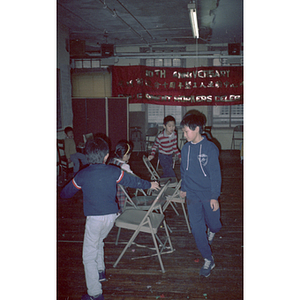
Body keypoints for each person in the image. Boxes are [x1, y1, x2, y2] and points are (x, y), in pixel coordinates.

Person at [60, 137, 159, 300]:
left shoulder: (82, 175)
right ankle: (100, 271)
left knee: (88, 256)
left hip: (95, 219)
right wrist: (150, 184)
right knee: (98, 241)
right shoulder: (114, 171)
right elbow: (132, 180)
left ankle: (94, 293)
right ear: (106, 156)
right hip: (111, 217)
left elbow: (66, 193)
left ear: (87, 155)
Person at [179, 113, 222, 278]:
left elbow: (215, 174)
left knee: (215, 224)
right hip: (192, 194)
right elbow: (184, 170)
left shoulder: (210, 148)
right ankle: (208, 259)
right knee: (197, 229)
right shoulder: (185, 148)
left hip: (208, 194)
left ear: (196, 129)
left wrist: (214, 196)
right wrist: (184, 187)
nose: (184, 135)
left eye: (185, 131)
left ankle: (213, 230)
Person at [108, 140, 136, 211]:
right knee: (122, 210)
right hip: (121, 193)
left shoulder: (112, 161)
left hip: (110, 192)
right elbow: (134, 179)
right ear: (125, 156)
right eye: (129, 154)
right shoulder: (124, 166)